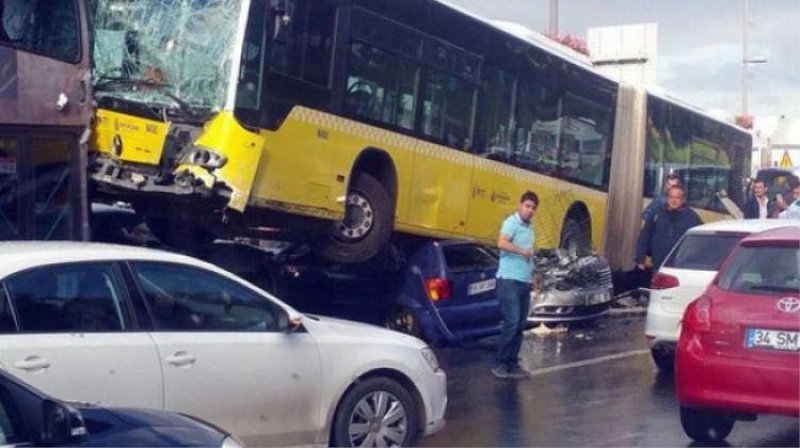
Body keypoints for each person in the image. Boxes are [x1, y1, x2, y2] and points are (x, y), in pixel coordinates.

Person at [493, 190, 538, 380]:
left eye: (533, 208)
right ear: (520, 205)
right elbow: (501, 243)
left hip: (523, 282)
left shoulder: (530, 228)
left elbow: (530, 255)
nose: (529, 211)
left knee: (520, 324)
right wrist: (521, 251)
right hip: (508, 280)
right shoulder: (511, 222)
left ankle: (512, 362)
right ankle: (501, 363)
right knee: (511, 322)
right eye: (527, 206)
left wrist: (533, 276)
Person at [635, 185, 702, 271]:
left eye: (677, 198)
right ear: (666, 198)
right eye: (671, 197)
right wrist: (640, 259)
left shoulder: (692, 217)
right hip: (658, 263)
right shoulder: (657, 214)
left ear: (683, 200)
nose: (674, 200)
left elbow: (699, 241)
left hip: (681, 265)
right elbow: (645, 235)